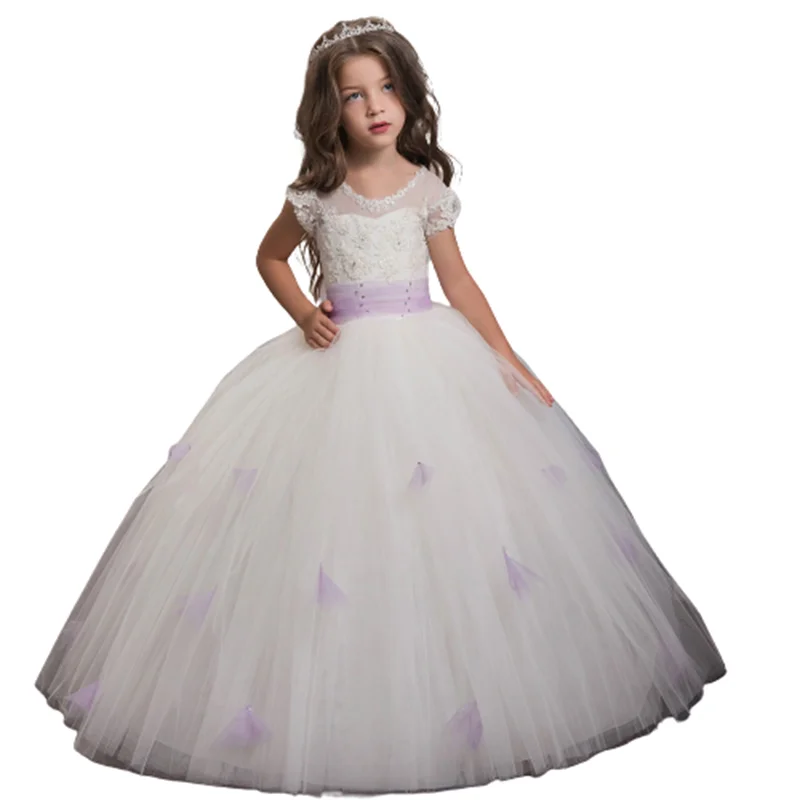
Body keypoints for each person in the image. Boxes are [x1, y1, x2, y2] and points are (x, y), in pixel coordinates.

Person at [34, 15, 727, 797]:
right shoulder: (315, 195)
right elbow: (268, 256)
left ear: (409, 94)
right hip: (334, 373)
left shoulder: (425, 187)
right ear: (328, 110)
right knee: (332, 527)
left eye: (387, 87)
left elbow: (458, 282)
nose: (375, 106)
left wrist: (505, 357)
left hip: (431, 365)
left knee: (448, 522)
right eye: (354, 95)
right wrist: (305, 313)